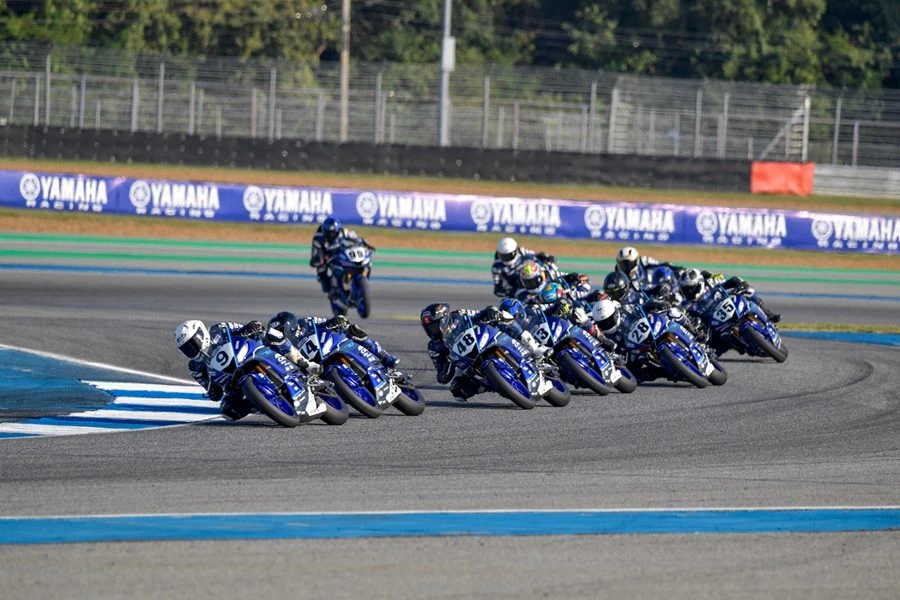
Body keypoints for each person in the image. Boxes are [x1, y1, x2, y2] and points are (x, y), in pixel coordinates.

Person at [175, 318, 317, 421]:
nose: (191, 349)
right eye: (186, 348)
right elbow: (210, 389)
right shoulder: (195, 367)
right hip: (233, 383)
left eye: (192, 343)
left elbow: (242, 328)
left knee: (272, 334)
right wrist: (213, 391)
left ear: (200, 334)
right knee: (228, 411)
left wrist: (251, 327)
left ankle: (304, 363)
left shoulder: (220, 329)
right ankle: (261, 404)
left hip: (249, 353)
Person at [420, 302, 548, 402]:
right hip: (465, 361)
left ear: (444, 320)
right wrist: (447, 368)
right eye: (429, 328)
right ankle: (493, 384)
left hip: (483, 339)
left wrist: (491, 312)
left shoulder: (459, 315)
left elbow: (481, 312)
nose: (432, 330)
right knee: (457, 390)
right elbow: (441, 377)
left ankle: (534, 347)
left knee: (505, 318)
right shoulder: (433, 347)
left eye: (434, 326)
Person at [265, 311, 399, 370]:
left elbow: (325, 322)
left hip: (327, 347)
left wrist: (337, 320)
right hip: (311, 368)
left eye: (281, 330)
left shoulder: (306, 322)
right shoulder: (281, 348)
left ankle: (384, 356)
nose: (280, 334)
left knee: (353, 329)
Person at [679, 268, 781, 323]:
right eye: (686, 289)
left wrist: (741, 285)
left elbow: (730, 280)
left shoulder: (709, 282)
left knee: (748, 290)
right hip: (715, 324)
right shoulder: (686, 304)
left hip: (727, 303)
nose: (689, 291)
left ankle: (767, 313)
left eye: (691, 287)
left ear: (699, 283)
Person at [309, 217, 374, 298]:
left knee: (363, 261)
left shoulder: (343, 231)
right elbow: (314, 255)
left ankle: (362, 283)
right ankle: (331, 292)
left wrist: (365, 243)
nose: (332, 235)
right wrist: (319, 260)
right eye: (329, 233)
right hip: (326, 256)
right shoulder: (318, 238)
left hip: (340, 252)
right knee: (321, 272)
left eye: (334, 233)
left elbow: (357, 238)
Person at [491, 237, 558, 298]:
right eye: (504, 256)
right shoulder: (497, 267)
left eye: (509, 255)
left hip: (537, 285)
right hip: (518, 293)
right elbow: (497, 290)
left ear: (515, 251)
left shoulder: (522, 251)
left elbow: (538, 255)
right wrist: (511, 292)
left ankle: (555, 281)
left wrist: (547, 258)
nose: (507, 258)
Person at [614, 246, 681, 290]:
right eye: (622, 264)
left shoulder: (644, 261)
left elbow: (663, 265)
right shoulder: (618, 272)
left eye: (628, 263)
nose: (626, 267)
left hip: (650, 291)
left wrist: (675, 269)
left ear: (636, 260)